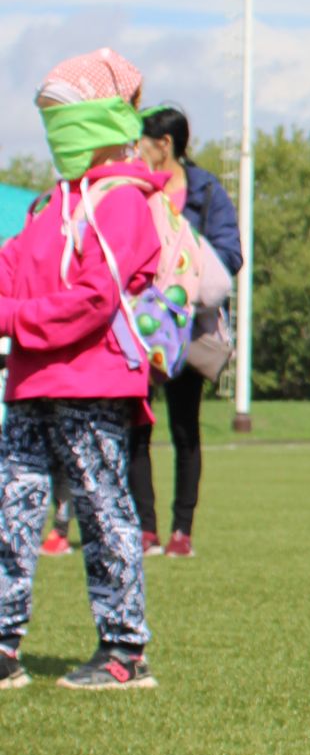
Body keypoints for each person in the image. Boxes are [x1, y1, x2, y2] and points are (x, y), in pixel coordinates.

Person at [0, 47, 164, 689]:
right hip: (31, 382)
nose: (55, 130)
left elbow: (95, 298)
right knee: (12, 510)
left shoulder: (122, 201)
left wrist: (14, 320)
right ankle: (4, 643)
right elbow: (10, 271)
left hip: (91, 384)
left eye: (64, 114)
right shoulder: (50, 206)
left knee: (101, 511)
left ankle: (124, 649)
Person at [126, 105, 240, 559]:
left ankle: (181, 532)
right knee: (136, 426)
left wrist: (184, 272)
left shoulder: (207, 192)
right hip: (140, 327)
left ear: (164, 144)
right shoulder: (133, 190)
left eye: (144, 142)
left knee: (184, 428)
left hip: (188, 328)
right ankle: (145, 529)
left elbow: (230, 254)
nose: (138, 150)